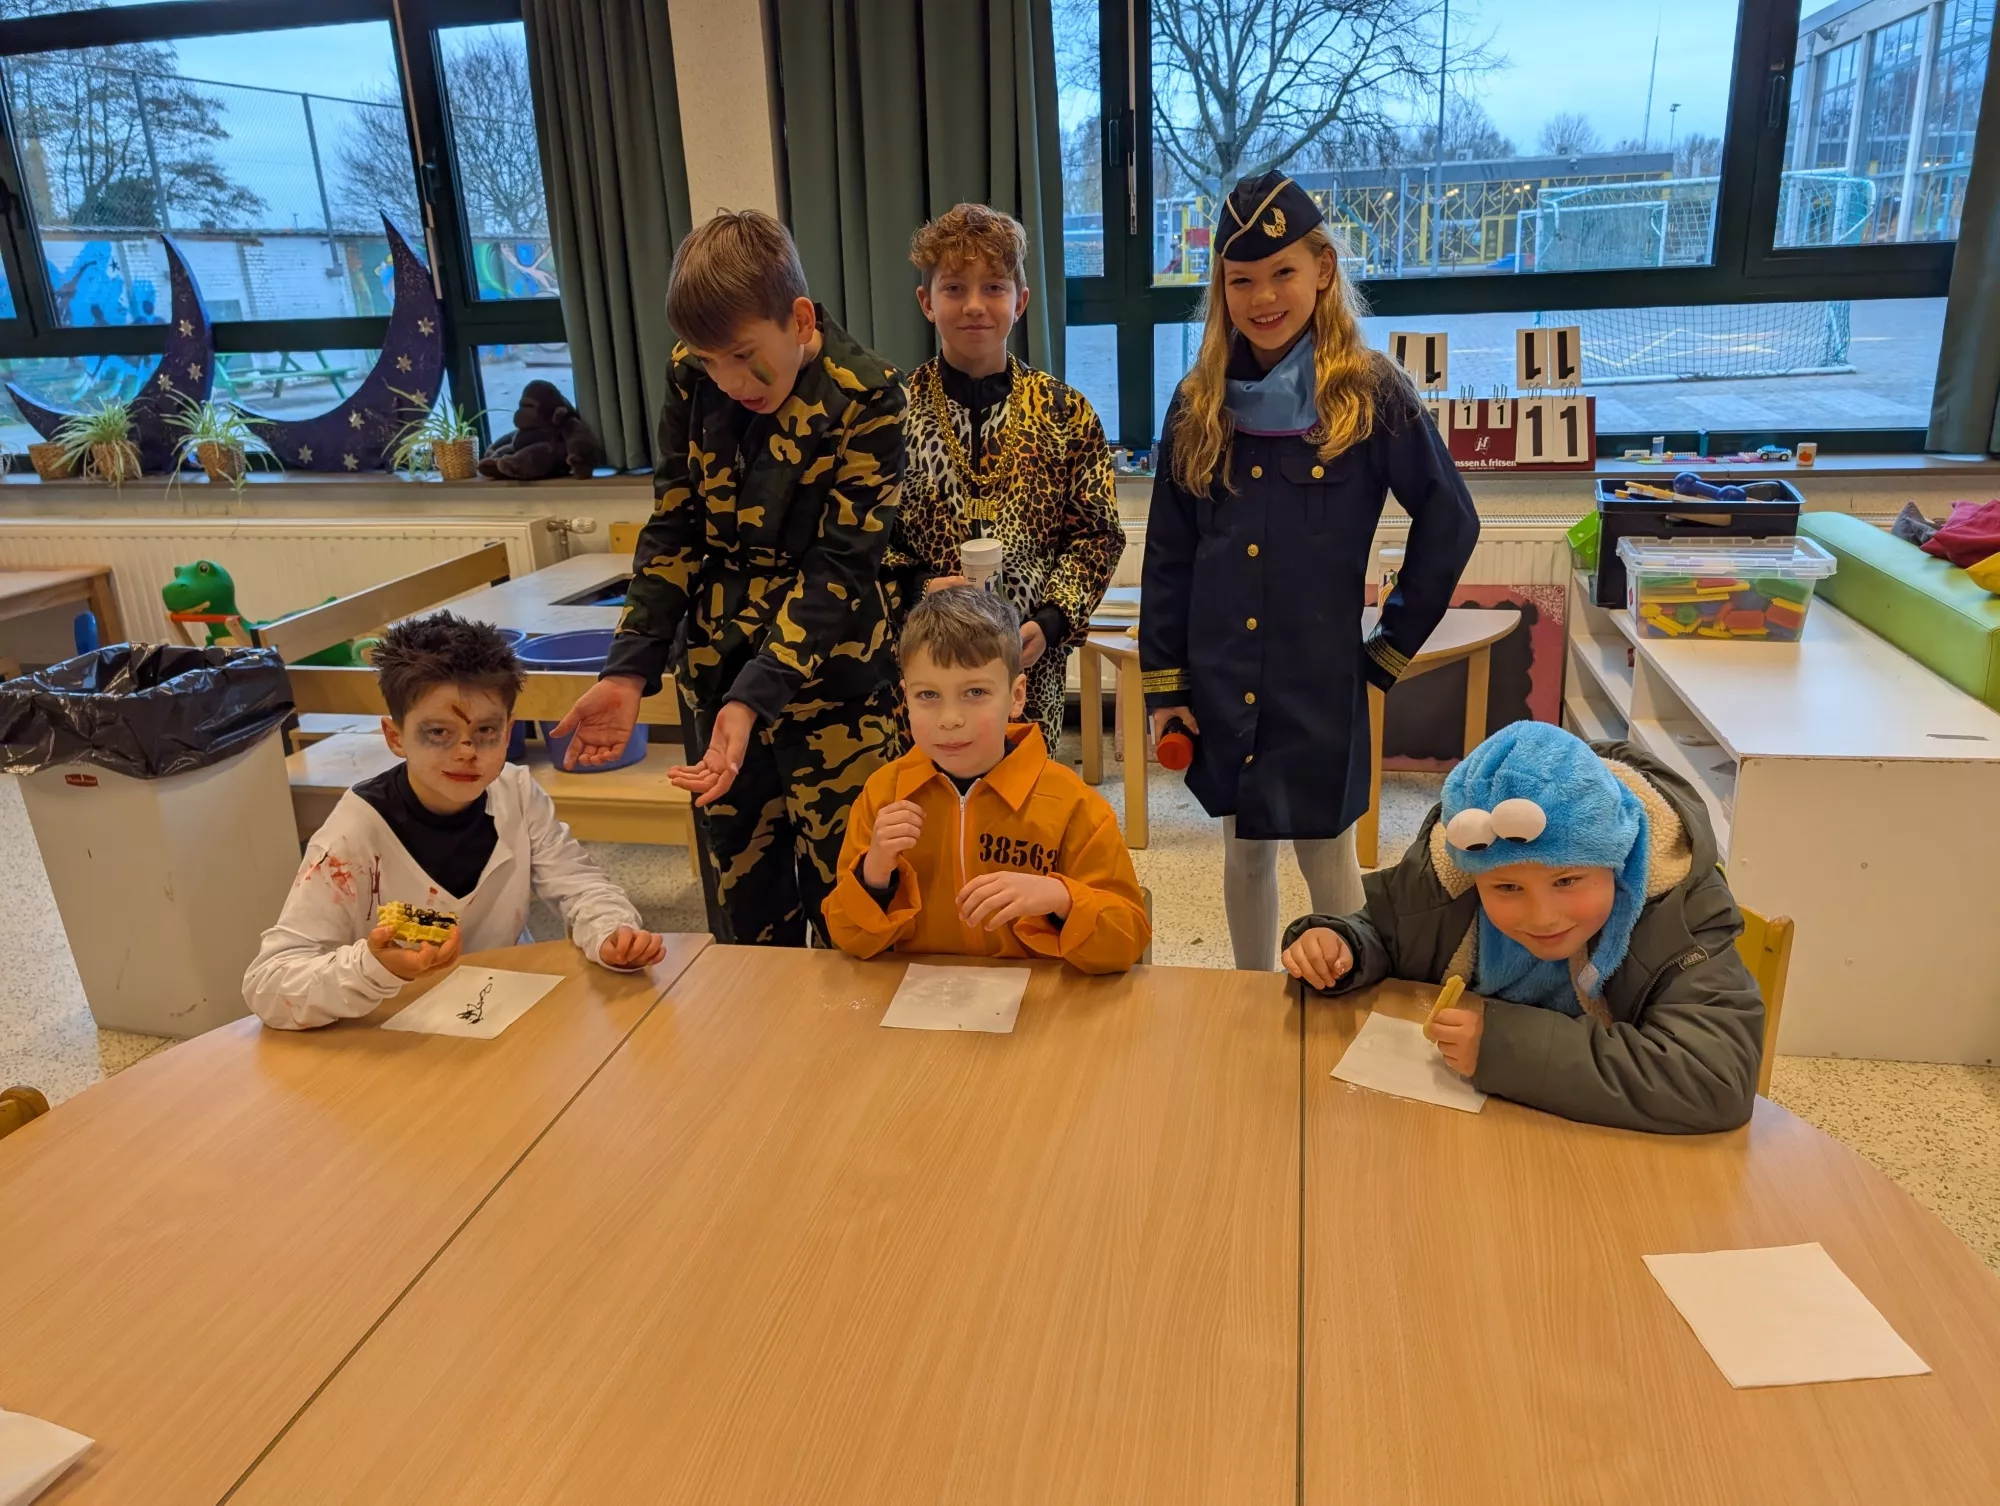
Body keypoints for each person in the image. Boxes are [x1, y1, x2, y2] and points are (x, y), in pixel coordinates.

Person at [1141, 170, 1479, 971]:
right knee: (1243, 849)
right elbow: (1169, 555)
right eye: (1241, 279)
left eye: (1283, 272)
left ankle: (1349, 980)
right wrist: (1166, 688)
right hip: (1223, 673)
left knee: (1326, 853)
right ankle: (1249, 995)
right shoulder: (1199, 402)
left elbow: (1450, 518)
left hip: (1318, 676)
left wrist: (1390, 646)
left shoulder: (1368, 392)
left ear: (1322, 269)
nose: (1263, 297)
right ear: (1221, 288)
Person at [551, 210, 906, 946]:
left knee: (852, 907)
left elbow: (840, 569)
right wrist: (629, 670)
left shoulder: (868, 396)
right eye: (711, 360)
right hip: (717, 675)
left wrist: (753, 699)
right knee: (746, 912)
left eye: (743, 356)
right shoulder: (694, 375)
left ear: (799, 319)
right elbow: (674, 527)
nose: (730, 380)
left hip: (833, 689)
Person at [1280, 720, 1764, 1134]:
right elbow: (1386, 927)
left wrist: (1501, 1049)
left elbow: (1713, 1077)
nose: (1542, 916)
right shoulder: (1445, 879)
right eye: (1507, 888)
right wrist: (1343, 944)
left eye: (1567, 880)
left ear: (1615, 858)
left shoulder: (1681, 911)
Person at [244, 614, 664, 1029]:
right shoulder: (352, 836)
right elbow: (269, 984)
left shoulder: (517, 794)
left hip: (503, 1009)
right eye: (438, 733)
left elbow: (581, 887)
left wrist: (611, 932)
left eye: (486, 731)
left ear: (508, 732)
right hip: (393, 1034)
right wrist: (374, 967)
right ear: (395, 737)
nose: (466, 751)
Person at [891, 202, 1123, 753]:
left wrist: (1051, 621)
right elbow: (866, 541)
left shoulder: (1066, 414)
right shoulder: (890, 415)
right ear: (926, 302)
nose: (974, 305)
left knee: (1024, 795)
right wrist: (915, 588)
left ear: (1020, 301)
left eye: (994, 287)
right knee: (927, 796)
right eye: (954, 288)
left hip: (1028, 666)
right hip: (924, 669)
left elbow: (1097, 537)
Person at [823, 586, 1150, 973]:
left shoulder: (1072, 805)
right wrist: (874, 875)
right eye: (928, 695)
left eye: (975, 692)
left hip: (1039, 1002)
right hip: (924, 1002)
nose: (950, 719)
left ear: (1016, 696)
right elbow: (848, 939)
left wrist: (1061, 898)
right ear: (905, 696)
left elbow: (1126, 941)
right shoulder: (883, 795)